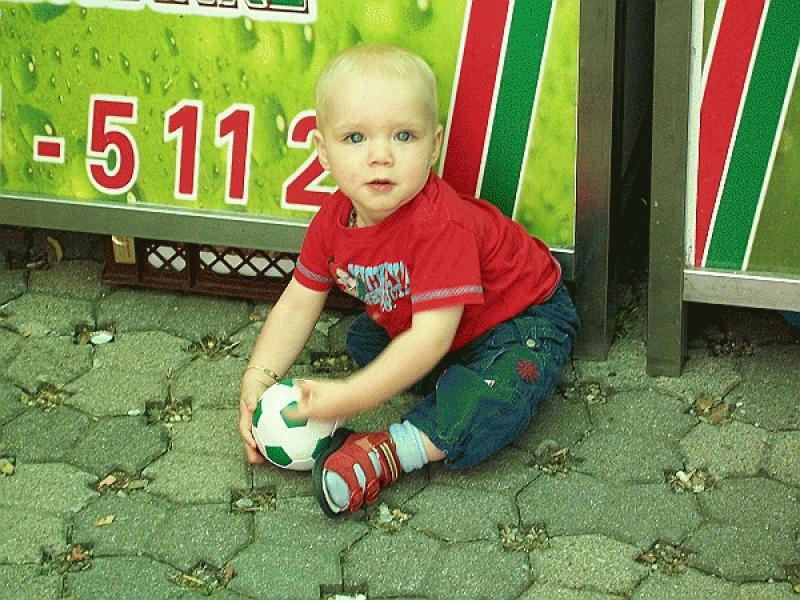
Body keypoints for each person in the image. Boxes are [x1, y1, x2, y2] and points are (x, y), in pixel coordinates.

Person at [239, 43, 580, 517]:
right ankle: (451, 383)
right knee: (364, 338)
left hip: (521, 321)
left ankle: (394, 450)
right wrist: (258, 378)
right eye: (355, 138)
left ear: (433, 145)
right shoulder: (332, 221)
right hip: (443, 328)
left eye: (403, 136)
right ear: (323, 151)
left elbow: (429, 338)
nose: (380, 156)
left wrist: (352, 395)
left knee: (494, 399)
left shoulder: (441, 227)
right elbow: (299, 303)